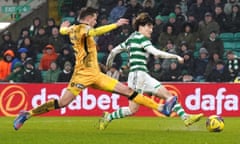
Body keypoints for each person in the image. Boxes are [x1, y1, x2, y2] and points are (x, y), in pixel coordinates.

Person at [13, 7, 177, 131]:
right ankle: (27, 114)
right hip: (82, 75)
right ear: (89, 18)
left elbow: (64, 30)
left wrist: (63, 27)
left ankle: (163, 108)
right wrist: (115, 24)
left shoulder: (72, 29)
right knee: (63, 103)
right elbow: (96, 31)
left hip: (95, 74)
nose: (96, 21)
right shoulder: (84, 28)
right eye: (95, 18)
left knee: (127, 91)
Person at [99, 12, 203, 130]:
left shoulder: (130, 39)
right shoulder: (142, 39)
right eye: (149, 26)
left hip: (143, 75)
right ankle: (108, 117)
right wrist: (175, 56)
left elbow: (113, 52)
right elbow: (156, 53)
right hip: (137, 76)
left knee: (168, 95)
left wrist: (107, 68)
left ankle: (185, 117)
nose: (151, 30)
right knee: (132, 109)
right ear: (141, 26)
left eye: (152, 27)